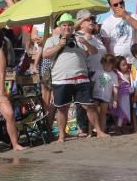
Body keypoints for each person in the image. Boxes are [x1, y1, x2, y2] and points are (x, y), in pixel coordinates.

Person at [42, 13, 104, 142]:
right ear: (60, 26)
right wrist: (60, 45)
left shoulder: (79, 38)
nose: (67, 27)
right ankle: (61, 136)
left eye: (70, 25)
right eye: (65, 25)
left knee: (89, 106)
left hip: (81, 77)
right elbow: (45, 55)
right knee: (62, 108)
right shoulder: (52, 39)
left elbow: (94, 52)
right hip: (61, 78)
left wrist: (86, 43)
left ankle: (99, 131)